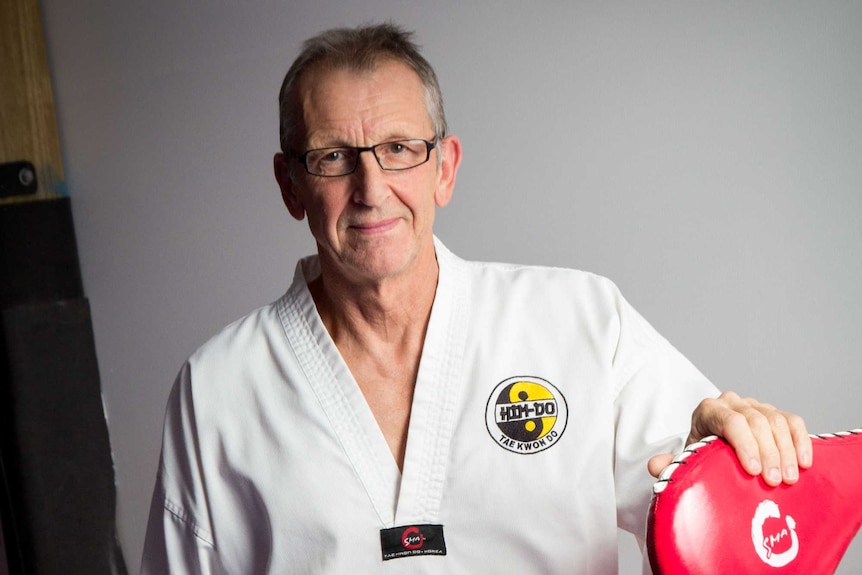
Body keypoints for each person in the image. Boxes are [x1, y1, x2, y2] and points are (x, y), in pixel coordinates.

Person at [141, 23, 812, 573]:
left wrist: (727, 455)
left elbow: (706, 511)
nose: (372, 188)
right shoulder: (219, 389)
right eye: (334, 157)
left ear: (445, 168)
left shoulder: (578, 320)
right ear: (291, 185)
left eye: (399, 148)